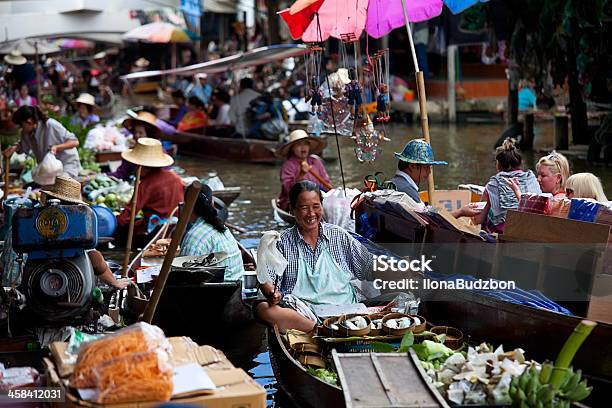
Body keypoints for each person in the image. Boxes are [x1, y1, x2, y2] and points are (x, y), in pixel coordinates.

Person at [256, 181, 373, 332]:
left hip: (345, 312)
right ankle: (320, 330)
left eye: (316, 207)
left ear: (322, 207)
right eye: (304, 208)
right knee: (262, 309)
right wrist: (272, 293)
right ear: (292, 209)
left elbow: (369, 267)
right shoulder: (281, 242)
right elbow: (266, 279)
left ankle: (331, 329)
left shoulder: (338, 235)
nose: (311, 214)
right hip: (303, 316)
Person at [0, 175, 130, 290]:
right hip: (36, 291)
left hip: (14, 291)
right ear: (70, 207)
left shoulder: (22, 223)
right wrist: (116, 283)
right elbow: (95, 259)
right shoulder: (69, 226)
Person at [115, 138, 185, 248]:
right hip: (175, 229)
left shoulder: (145, 185)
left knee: (120, 231)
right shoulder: (175, 177)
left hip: (155, 233)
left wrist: (115, 221)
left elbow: (128, 216)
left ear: (141, 166)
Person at [471, 138, 541, 233]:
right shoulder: (531, 178)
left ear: (498, 164)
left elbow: (478, 220)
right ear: (520, 163)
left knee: (489, 211)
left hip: (504, 231)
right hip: (531, 227)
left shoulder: (493, 184)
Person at [180, 184, 245, 282]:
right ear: (213, 203)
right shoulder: (223, 229)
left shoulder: (194, 236)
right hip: (235, 291)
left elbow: (183, 276)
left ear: (188, 207)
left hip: (215, 293)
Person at [4, 106, 81, 179]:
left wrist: (57, 147)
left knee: (61, 185)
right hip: (50, 170)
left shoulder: (50, 125)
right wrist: (14, 148)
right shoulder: (26, 133)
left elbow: (75, 142)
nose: (21, 128)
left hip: (67, 165)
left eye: (22, 125)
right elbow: (23, 147)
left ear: (29, 121)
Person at [277, 130, 330, 211]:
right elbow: (288, 190)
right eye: (299, 144)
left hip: (318, 199)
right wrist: (301, 174)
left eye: (306, 143)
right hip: (295, 203)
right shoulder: (288, 165)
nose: (303, 147)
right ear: (292, 148)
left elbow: (327, 183)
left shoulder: (315, 161)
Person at [108, 111, 162, 181]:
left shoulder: (159, 153)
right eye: (135, 132)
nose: (137, 135)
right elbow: (122, 173)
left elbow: (162, 176)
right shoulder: (131, 152)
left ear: (148, 135)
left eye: (140, 133)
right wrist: (103, 176)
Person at [390, 139, 448, 204]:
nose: (429, 172)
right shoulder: (407, 191)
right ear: (412, 166)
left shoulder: (394, 183)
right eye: (426, 167)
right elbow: (422, 214)